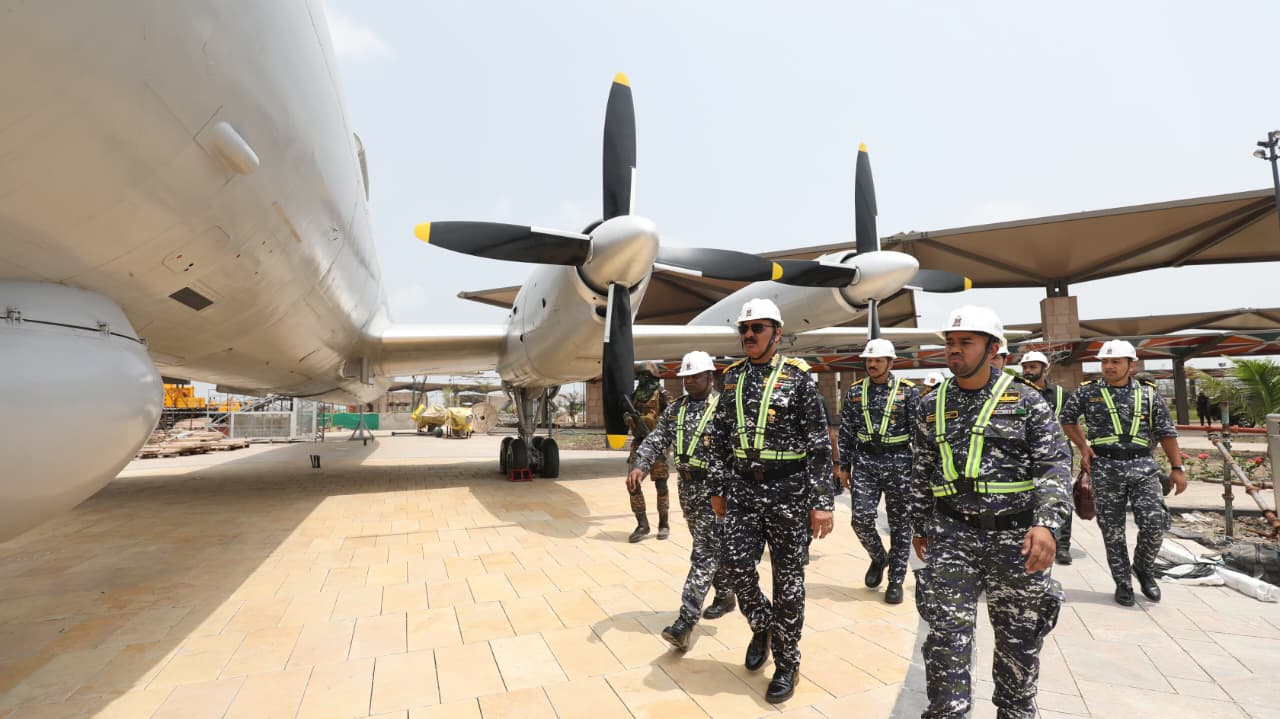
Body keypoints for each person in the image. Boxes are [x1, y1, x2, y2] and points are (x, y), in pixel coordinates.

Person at [910, 305, 1071, 719]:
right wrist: (919, 524)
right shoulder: (930, 405)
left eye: (966, 342)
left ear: (993, 347)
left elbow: (1054, 464)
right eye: (950, 343)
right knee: (946, 638)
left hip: (1016, 543)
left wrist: (1047, 525)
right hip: (952, 535)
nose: (955, 351)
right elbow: (922, 468)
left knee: (1019, 641)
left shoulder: (1027, 401)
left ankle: (1015, 711)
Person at [705, 298, 834, 704]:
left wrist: (822, 500)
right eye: (744, 329)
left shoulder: (797, 378)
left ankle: (787, 663)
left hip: (789, 492)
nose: (748, 335)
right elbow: (720, 436)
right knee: (735, 564)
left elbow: (818, 443)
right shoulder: (731, 379)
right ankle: (762, 624)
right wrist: (716, 487)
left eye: (757, 328)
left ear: (776, 333)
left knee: (789, 583)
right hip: (742, 489)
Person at [1059, 339, 1187, 606]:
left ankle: (1142, 568)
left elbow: (1167, 433)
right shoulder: (1087, 393)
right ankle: (1123, 583)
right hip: (1105, 468)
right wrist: (1083, 446)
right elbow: (1067, 419)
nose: (1109, 366)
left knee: (1154, 523)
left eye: (1115, 361)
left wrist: (1177, 468)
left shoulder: (1149, 394)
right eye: (1105, 361)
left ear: (1131, 365)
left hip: (1143, 467)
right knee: (1112, 530)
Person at [628, 351, 737, 650]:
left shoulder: (724, 408)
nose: (689, 381)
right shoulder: (676, 409)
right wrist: (640, 465)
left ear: (709, 377)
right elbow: (656, 439)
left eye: (695, 376)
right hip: (688, 490)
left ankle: (685, 622)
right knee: (711, 549)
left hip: (716, 492)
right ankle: (726, 594)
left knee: (703, 553)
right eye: (686, 377)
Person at [836, 338, 918, 604]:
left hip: (900, 463)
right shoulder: (855, 392)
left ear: (891, 363)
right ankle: (879, 557)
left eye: (877, 360)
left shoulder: (908, 392)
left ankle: (895, 579)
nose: (872, 364)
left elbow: (919, 434)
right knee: (860, 519)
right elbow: (846, 430)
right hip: (866, 462)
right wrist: (843, 466)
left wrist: (920, 471)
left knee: (900, 526)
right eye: (869, 360)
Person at [1020, 350, 1074, 565]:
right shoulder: (1017, 393)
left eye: (1033, 367)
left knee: (1060, 497)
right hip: (1027, 455)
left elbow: (1073, 423)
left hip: (1056, 454)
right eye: (1025, 367)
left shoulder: (1061, 394)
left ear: (1045, 369)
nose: (1028, 371)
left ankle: (1062, 545)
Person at [625, 362, 674, 542]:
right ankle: (642, 524)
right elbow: (626, 412)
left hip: (658, 443)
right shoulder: (635, 396)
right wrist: (629, 419)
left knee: (661, 485)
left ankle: (663, 523)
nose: (643, 379)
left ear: (654, 376)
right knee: (633, 483)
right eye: (641, 375)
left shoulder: (662, 395)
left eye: (647, 375)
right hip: (639, 443)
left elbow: (672, 416)